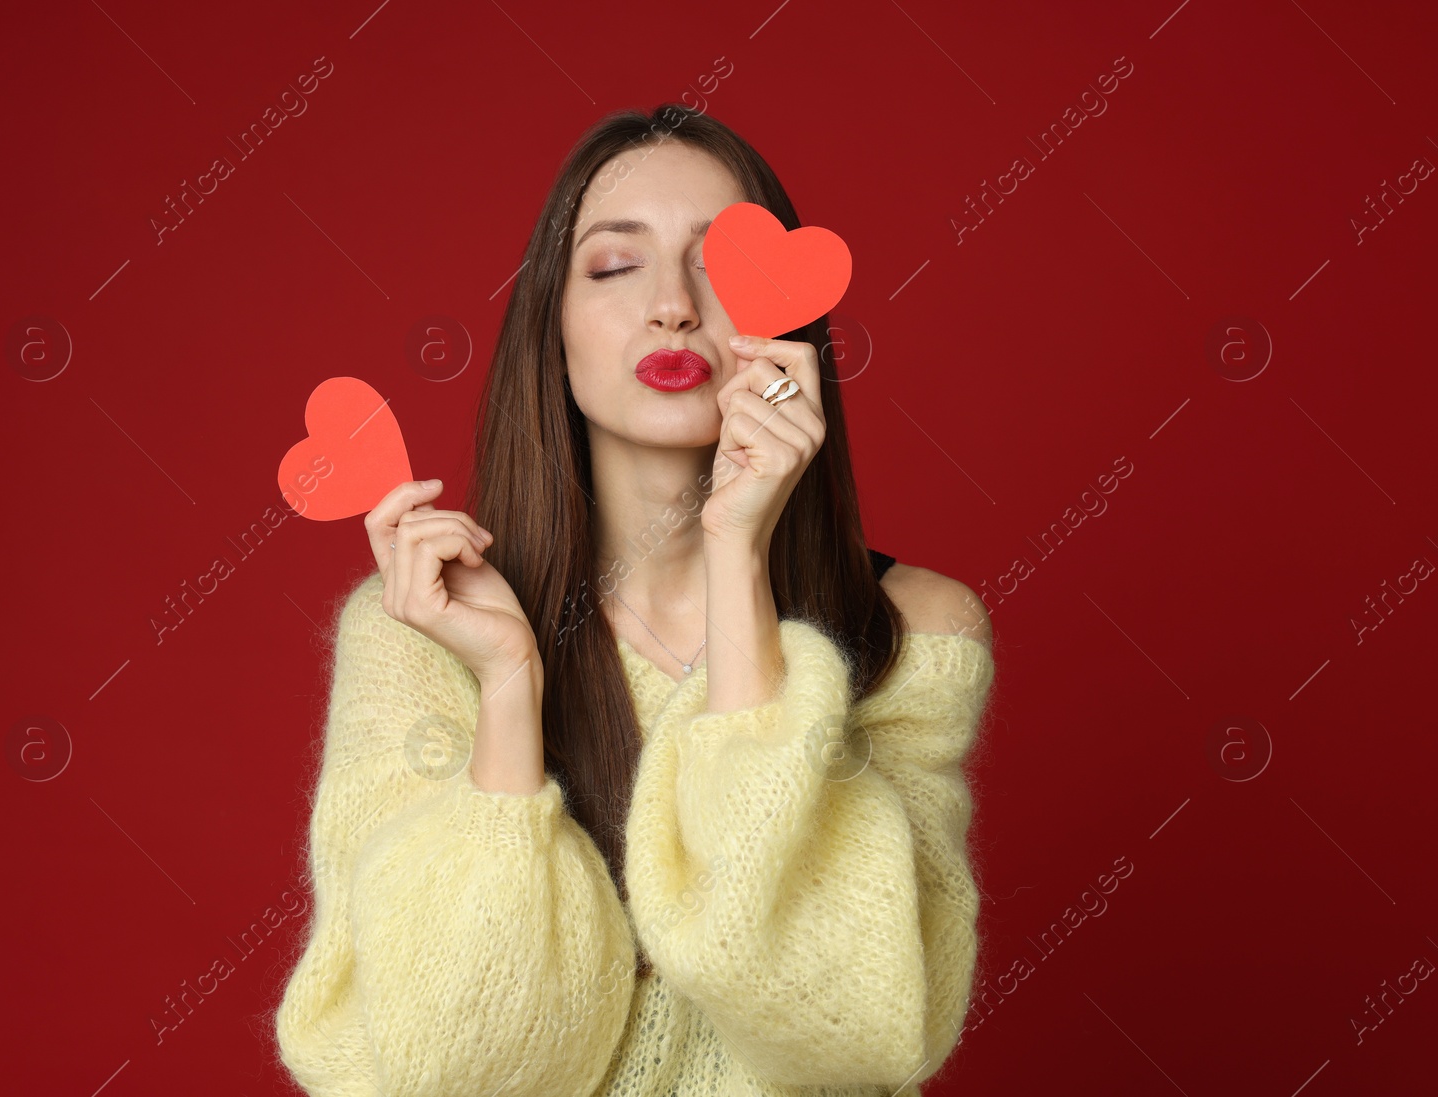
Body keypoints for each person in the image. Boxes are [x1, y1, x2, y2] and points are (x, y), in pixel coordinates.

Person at [272, 103, 997, 1097]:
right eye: (614, 267)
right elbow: (461, 1068)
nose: (673, 307)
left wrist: (736, 557)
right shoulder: (416, 628)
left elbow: (846, 1036)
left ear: (788, 325)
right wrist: (507, 685)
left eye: (719, 265)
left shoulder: (913, 634)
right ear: (552, 332)